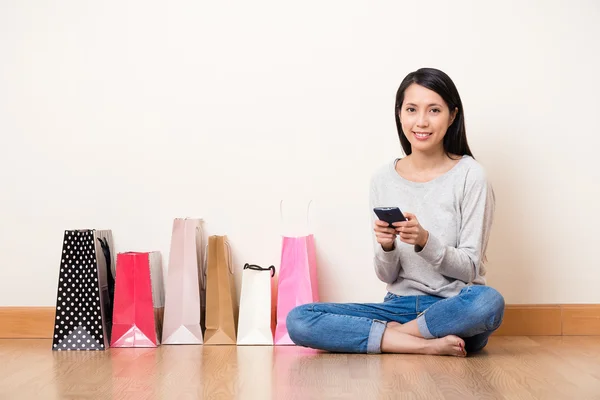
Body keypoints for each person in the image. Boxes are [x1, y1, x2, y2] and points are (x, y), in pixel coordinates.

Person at [286, 67, 505, 357]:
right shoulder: (383, 179)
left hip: (453, 309)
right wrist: (387, 246)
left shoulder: (471, 175)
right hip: (396, 306)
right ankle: (424, 346)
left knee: (488, 302)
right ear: (399, 114)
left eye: (434, 110)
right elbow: (385, 274)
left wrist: (425, 241)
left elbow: (469, 269)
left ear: (452, 116)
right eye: (411, 109)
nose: (421, 121)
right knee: (299, 319)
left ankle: (393, 338)